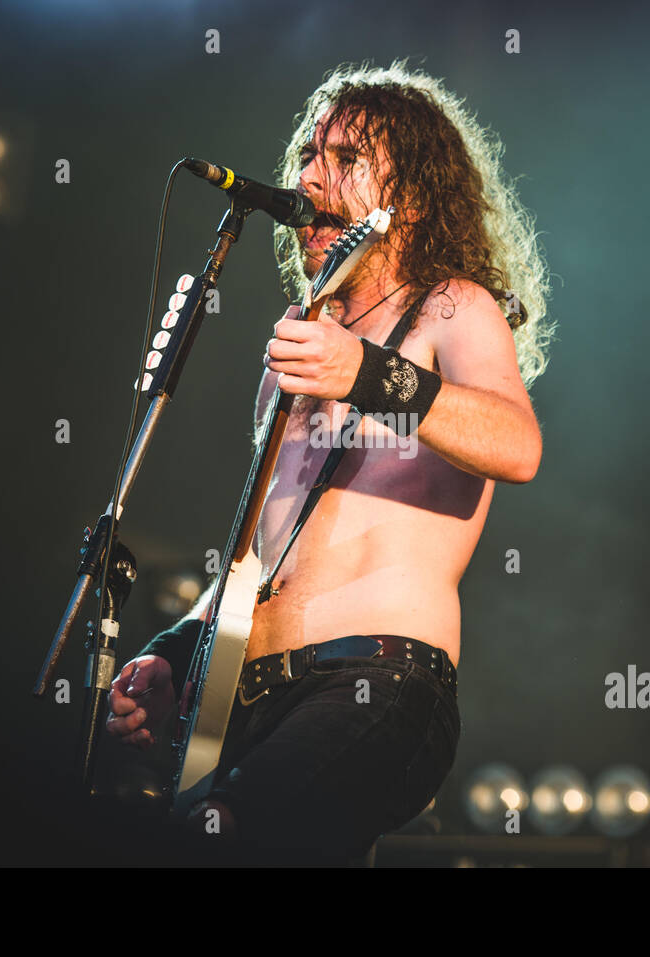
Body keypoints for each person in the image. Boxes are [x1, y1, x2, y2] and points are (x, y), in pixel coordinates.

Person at [105, 60, 552, 864]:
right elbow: (267, 539)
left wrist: (365, 373)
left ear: (409, 196)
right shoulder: (302, 333)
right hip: (246, 692)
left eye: (346, 158)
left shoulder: (452, 304)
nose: (311, 176)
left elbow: (517, 444)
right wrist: (175, 649)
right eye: (310, 154)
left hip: (378, 682)